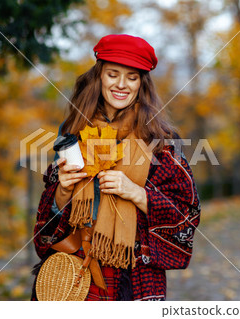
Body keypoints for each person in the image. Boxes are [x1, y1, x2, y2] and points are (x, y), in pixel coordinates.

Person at [31, 34, 201, 301]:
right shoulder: (72, 131)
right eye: (113, 74)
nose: (121, 84)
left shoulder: (162, 140)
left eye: (132, 77)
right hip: (73, 271)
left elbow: (187, 214)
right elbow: (48, 218)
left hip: (135, 276)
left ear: (141, 84)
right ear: (99, 77)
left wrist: (135, 192)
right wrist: (62, 191)